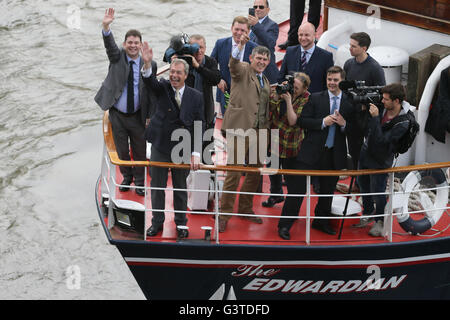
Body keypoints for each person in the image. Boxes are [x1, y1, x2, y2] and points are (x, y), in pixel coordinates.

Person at [277, 66, 354, 239]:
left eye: (335, 80)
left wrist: (343, 124)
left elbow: (356, 130)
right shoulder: (316, 98)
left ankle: (320, 222)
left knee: (327, 191)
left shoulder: (349, 101)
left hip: (334, 153)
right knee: (297, 190)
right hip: (310, 152)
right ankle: (284, 225)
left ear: (342, 80)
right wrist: (322, 122)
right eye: (329, 79)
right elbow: (302, 121)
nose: (332, 83)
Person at [141, 43, 205, 239]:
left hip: (182, 147)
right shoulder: (163, 88)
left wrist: (195, 153)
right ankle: (157, 222)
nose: (174, 76)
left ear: (186, 75)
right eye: (172, 72)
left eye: (178, 73)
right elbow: (150, 82)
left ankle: (181, 223)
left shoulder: (196, 97)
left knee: (180, 188)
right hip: (161, 143)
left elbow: (198, 124)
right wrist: (147, 64)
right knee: (158, 187)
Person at [95, 8, 155, 196]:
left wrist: (149, 117)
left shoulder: (149, 63)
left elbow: (152, 90)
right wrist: (106, 26)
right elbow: (110, 46)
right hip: (118, 114)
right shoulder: (117, 56)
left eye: (136, 43)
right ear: (124, 44)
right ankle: (126, 177)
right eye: (130, 42)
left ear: (141, 45)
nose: (133, 46)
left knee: (138, 150)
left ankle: (139, 181)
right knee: (121, 150)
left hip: (138, 115)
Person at [219, 36, 272, 233]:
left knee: (254, 173)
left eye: (265, 60)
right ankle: (224, 214)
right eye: (258, 58)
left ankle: (245, 208)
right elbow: (232, 64)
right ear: (251, 57)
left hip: (260, 132)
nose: (261, 62)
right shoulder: (241, 70)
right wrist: (239, 46)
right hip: (240, 129)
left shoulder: (265, 80)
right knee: (233, 173)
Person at [355, 83, 410, 237]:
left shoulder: (402, 122)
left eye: (386, 99)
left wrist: (374, 117)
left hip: (381, 160)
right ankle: (367, 213)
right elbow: (366, 128)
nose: (382, 101)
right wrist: (366, 112)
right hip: (366, 154)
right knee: (363, 185)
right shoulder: (381, 107)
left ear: (397, 101)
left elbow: (381, 141)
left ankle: (379, 221)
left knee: (377, 192)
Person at [262, 73, 311, 209]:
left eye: (296, 88)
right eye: (292, 86)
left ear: (304, 89)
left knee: (290, 175)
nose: (292, 90)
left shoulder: (307, 99)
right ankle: (275, 194)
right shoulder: (284, 90)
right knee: (272, 169)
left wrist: (288, 101)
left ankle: (291, 204)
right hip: (275, 137)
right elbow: (269, 109)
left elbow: (292, 120)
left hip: (291, 142)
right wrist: (277, 95)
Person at [344, 32, 386, 175]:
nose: (350, 48)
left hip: (367, 117)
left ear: (364, 48)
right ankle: (356, 178)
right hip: (352, 115)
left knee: (368, 150)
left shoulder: (375, 69)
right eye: (350, 45)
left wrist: (366, 106)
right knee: (354, 149)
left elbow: (382, 95)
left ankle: (366, 180)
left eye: (353, 46)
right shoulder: (349, 64)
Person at [183, 34, 221, 160]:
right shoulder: (184, 63)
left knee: (206, 153)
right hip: (187, 114)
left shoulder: (210, 62)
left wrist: (198, 67)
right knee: (185, 149)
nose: (199, 51)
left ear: (205, 48)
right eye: (195, 47)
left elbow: (215, 79)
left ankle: (208, 176)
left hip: (206, 114)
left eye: (201, 47)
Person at [211, 16, 258, 117]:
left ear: (248, 32)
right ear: (231, 28)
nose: (239, 33)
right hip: (226, 92)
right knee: (228, 126)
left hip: (246, 95)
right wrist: (218, 79)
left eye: (243, 30)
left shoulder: (254, 48)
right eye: (236, 29)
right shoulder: (220, 43)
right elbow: (211, 65)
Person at [278, 22, 333, 94]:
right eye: (300, 35)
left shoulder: (326, 57)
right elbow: (281, 77)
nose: (303, 38)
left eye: (307, 35)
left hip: (314, 102)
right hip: (292, 101)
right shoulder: (290, 52)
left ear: (314, 35)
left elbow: (329, 84)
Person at [248, 0, 279, 84]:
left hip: (266, 71)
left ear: (268, 10)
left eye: (261, 7)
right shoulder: (249, 25)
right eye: (255, 7)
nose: (257, 9)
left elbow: (270, 43)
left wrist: (256, 25)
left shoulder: (272, 25)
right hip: (251, 69)